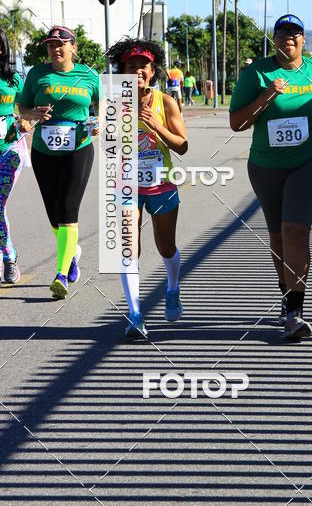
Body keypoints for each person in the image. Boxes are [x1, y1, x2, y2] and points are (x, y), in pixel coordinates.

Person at [230, 14, 312, 341]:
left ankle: (295, 311)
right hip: (265, 165)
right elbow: (237, 123)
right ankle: (286, 295)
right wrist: (267, 95)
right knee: (277, 235)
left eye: (294, 33)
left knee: (295, 229)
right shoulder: (256, 73)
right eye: (282, 33)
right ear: (274, 39)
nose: (288, 38)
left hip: (311, 159)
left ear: (304, 39)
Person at [106, 39, 189, 342]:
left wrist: (157, 126)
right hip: (126, 184)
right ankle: (135, 316)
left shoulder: (165, 102)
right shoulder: (112, 100)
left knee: (165, 246)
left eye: (144, 66)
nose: (137, 70)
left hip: (162, 184)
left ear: (153, 71)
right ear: (122, 72)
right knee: (129, 247)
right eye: (131, 66)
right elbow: (106, 143)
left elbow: (183, 145)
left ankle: (172, 287)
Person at [17, 26, 101, 298]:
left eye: (60, 44)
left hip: (78, 148)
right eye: (51, 45)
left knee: (67, 208)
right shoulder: (37, 75)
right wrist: (33, 114)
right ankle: (72, 252)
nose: (55, 49)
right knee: (54, 214)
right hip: (43, 151)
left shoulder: (88, 75)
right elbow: (24, 109)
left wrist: (98, 121)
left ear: (73, 47)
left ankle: (61, 274)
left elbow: (106, 104)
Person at [0, 29, 31, 284]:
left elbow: (27, 109)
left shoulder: (13, 81)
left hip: (10, 149)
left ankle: (9, 258)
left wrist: (27, 120)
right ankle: (9, 253)